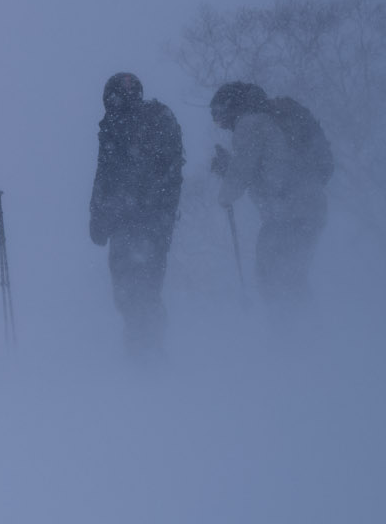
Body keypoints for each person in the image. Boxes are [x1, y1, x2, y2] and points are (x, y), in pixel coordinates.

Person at [208, 81, 331, 316]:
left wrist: (225, 195)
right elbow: (263, 166)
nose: (220, 125)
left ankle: (293, 338)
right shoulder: (269, 120)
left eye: (218, 116)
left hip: (288, 212)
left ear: (230, 108)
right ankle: (305, 335)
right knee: (291, 276)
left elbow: (243, 170)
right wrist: (231, 169)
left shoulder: (250, 122)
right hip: (307, 207)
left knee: (273, 276)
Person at [88, 75, 185, 360]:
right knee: (148, 286)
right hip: (156, 222)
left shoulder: (116, 126)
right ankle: (150, 348)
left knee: (130, 289)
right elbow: (172, 174)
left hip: (128, 223)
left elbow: (106, 176)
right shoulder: (160, 119)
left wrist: (99, 217)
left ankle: (143, 353)